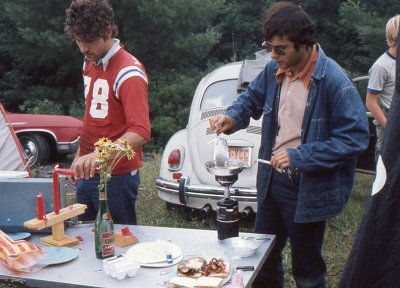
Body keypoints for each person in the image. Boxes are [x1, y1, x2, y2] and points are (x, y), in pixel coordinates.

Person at [209, 2, 369, 287]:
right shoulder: (274, 68)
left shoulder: (335, 81)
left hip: (307, 186)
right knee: (262, 261)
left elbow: (354, 138)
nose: (272, 55)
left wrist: (301, 156)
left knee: (307, 272)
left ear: (304, 44)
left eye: (280, 48)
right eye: (269, 46)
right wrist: (232, 117)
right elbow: (251, 99)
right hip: (271, 181)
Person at [64, 0, 151, 225]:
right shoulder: (90, 61)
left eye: (89, 41)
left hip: (116, 176)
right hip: (88, 172)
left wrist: (97, 155)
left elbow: (140, 132)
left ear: (108, 31)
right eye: (78, 40)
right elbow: (94, 118)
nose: (83, 48)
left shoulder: (129, 72)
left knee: (118, 244)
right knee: (84, 239)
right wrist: (80, 157)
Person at [366, 15, 399, 161]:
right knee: (386, 165)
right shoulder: (381, 66)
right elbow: (371, 102)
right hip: (389, 118)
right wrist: (390, 126)